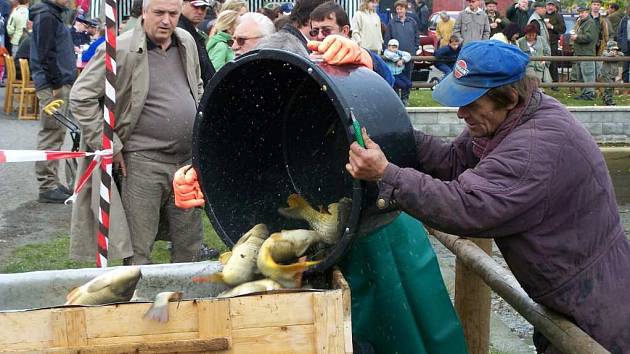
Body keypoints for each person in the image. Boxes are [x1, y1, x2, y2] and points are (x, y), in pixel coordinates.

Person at [175, 28, 468, 354]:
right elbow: (232, 151)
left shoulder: (324, 80)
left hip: (382, 236)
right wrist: (201, 179)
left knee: (409, 328)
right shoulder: (254, 96)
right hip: (322, 243)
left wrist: (368, 60)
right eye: (238, 43)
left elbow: (380, 100)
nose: (236, 46)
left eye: (243, 41)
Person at [345, 39, 630, 354]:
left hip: (597, 311)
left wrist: (387, 174)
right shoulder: (509, 119)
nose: (461, 113)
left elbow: (466, 207)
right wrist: (394, 135)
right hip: (566, 296)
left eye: (471, 104)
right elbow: (453, 162)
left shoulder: (532, 148)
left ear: (508, 97)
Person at [69, 0, 204, 265]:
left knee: (190, 245)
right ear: (144, 13)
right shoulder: (120, 48)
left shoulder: (186, 41)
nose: (166, 20)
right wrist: (112, 144)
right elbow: (81, 96)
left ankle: (188, 301)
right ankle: (134, 302)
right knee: (137, 248)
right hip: (142, 163)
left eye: (173, 14)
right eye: (159, 13)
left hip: (186, 164)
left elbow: (196, 84)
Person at [30, 0, 77, 203]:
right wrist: (57, 83)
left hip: (56, 82)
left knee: (56, 133)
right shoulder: (47, 15)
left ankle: (51, 182)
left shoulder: (51, 13)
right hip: (52, 85)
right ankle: (47, 186)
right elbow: (46, 53)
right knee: (51, 133)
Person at [383, 0, 418, 106]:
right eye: (397, 9)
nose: (399, 11)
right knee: (396, 78)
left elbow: (417, 36)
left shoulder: (412, 22)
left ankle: (405, 98)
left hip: (409, 56)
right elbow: (387, 39)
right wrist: (393, 55)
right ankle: (396, 99)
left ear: (405, 9)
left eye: (401, 8)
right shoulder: (392, 23)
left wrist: (415, 49)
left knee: (407, 77)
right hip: (395, 57)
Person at [178, 0, 216, 86]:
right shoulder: (180, 32)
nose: (200, 12)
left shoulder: (195, 32)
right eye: (195, 7)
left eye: (203, 8)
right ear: (183, 4)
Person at [570, 3, 597, 100]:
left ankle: (589, 94)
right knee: (581, 74)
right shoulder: (582, 22)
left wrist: (577, 37)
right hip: (581, 53)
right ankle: (584, 93)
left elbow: (590, 37)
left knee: (588, 73)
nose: (580, 14)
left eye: (582, 12)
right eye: (579, 12)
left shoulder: (590, 23)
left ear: (587, 12)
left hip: (587, 53)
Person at [543, 0, 565, 87]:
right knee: (540, 62)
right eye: (548, 5)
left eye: (552, 5)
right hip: (542, 42)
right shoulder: (541, 15)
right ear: (546, 6)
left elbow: (563, 29)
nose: (550, 7)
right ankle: (542, 83)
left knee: (553, 63)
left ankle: (554, 84)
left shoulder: (558, 16)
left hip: (553, 43)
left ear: (554, 7)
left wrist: (551, 26)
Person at [599, 40, 623, 105]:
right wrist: (609, 55)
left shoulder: (618, 54)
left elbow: (622, 55)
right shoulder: (605, 53)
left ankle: (605, 98)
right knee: (609, 86)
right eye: (613, 49)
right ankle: (608, 100)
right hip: (606, 74)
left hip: (613, 74)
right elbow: (604, 56)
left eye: (615, 49)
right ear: (609, 49)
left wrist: (616, 54)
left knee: (611, 87)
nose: (614, 51)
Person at [618, 6, 630, 84]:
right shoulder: (624, 19)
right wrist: (621, 44)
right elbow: (619, 33)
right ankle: (625, 84)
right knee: (625, 65)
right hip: (626, 44)